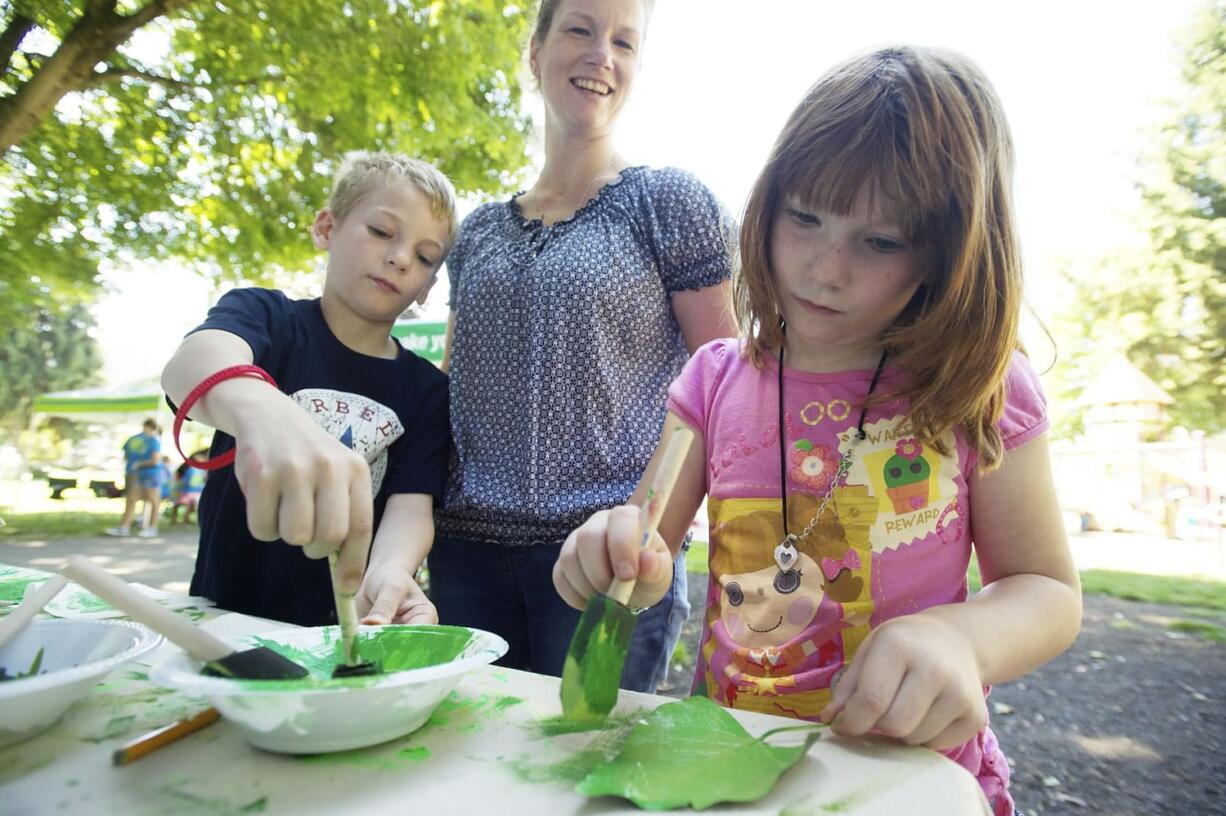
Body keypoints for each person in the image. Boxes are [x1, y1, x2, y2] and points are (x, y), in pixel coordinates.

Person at [552, 47, 1082, 815]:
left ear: (952, 249)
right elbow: (646, 552)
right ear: (769, 205)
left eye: (881, 241)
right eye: (805, 218)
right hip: (729, 764)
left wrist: (962, 640)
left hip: (905, 776)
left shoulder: (981, 387)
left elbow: (1047, 591)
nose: (825, 269)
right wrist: (611, 555)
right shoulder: (713, 379)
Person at [435, 0, 737, 690]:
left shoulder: (668, 203)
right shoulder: (476, 232)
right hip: (463, 560)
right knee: (473, 770)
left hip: (606, 564)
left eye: (625, 42)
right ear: (535, 51)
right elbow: (451, 387)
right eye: (580, 29)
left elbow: (725, 382)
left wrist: (642, 529)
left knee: (582, 779)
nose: (603, 53)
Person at [161, 151, 456, 627]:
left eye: (424, 257)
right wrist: (261, 410)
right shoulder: (267, 318)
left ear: (427, 286)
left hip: (344, 635)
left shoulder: (427, 391)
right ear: (326, 228)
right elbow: (190, 363)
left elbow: (411, 506)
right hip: (223, 620)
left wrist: (390, 572)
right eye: (382, 232)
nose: (400, 258)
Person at [105, 418, 163, 538]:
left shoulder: (149, 440)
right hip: (144, 473)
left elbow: (154, 460)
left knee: (149, 499)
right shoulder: (150, 440)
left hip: (146, 473)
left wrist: (137, 464)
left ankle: (150, 527)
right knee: (134, 499)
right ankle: (125, 526)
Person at [168, 450, 208, 526]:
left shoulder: (202, 469)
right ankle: (175, 520)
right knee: (180, 504)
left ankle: (185, 520)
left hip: (195, 490)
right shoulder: (189, 469)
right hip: (186, 490)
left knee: (189, 506)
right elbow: (184, 479)